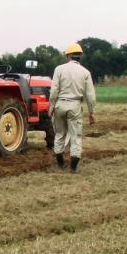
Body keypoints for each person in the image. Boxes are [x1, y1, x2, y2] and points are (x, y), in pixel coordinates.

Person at [49, 43, 96, 172]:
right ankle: (73, 167)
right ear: (80, 56)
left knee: (59, 134)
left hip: (59, 105)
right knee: (76, 136)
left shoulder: (59, 69)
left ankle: (60, 163)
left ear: (68, 55)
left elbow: (54, 91)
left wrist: (51, 106)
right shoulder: (86, 72)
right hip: (75, 105)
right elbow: (90, 95)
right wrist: (92, 112)